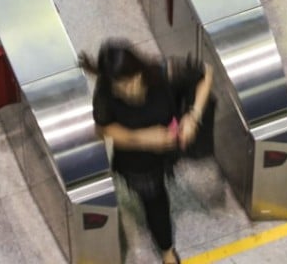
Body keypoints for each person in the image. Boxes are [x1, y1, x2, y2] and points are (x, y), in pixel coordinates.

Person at [82, 40, 213, 264]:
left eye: (131, 80)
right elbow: (102, 128)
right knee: (155, 202)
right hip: (137, 160)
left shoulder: (161, 72)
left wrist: (193, 116)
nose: (128, 90)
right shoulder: (105, 93)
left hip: (171, 146)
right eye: (119, 85)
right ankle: (167, 251)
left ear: (139, 70)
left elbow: (205, 73)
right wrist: (140, 138)